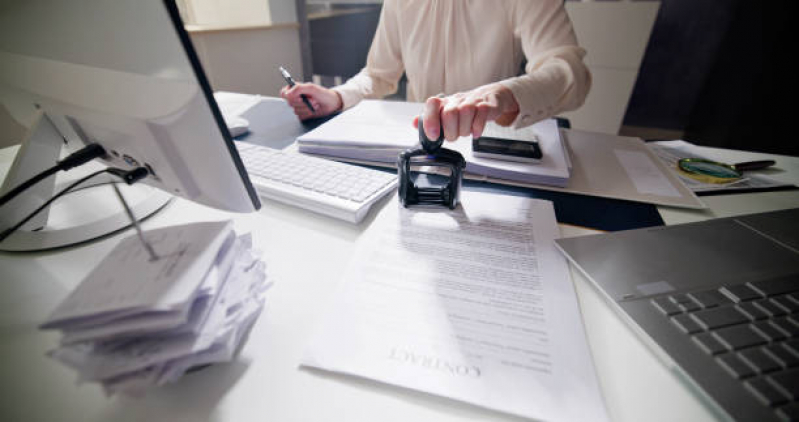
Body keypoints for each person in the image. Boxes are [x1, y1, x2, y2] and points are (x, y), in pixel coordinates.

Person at [281, 0, 591, 143]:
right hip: (418, 143)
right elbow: (378, 75)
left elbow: (569, 71)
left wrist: (507, 94)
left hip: (490, 144)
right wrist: (335, 97)